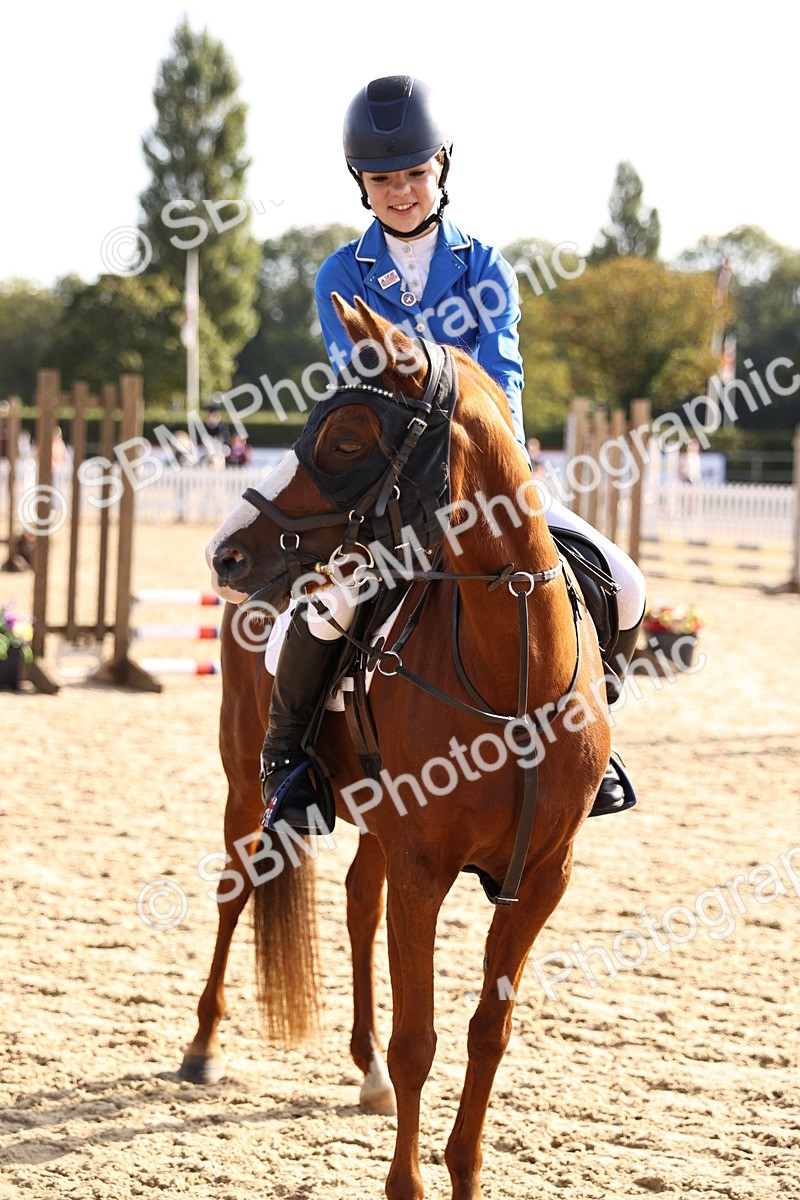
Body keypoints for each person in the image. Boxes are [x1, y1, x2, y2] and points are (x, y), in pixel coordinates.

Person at [261, 75, 646, 830]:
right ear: (361, 185)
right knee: (311, 618)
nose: (401, 191)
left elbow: (501, 375)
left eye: (414, 172)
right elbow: (366, 385)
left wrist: (492, 460)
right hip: (394, 491)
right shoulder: (341, 274)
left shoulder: (486, 267)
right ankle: (292, 763)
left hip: (492, 474)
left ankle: (589, 738)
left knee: (624, 585)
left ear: (442, 166)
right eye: (382, 179)